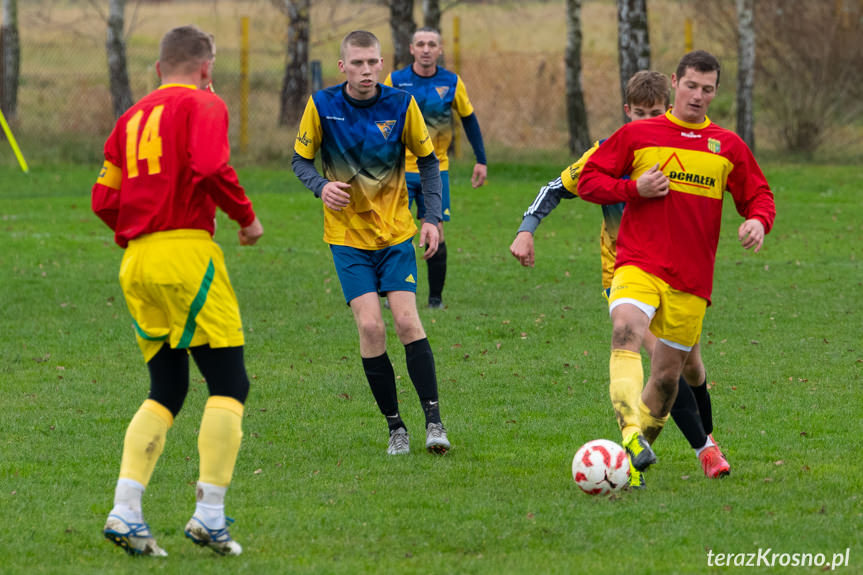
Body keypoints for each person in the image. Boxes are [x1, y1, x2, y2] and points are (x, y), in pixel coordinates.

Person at [510, 71, 731, 488]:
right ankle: (697, 448)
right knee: (657, 357)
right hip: (626, 274)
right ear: (627, 111)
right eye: (639, 113)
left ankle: (682, 442)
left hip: (678, 276)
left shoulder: (678, 151)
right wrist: (526, 229)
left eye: (655, 113)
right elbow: (556, 186)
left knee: (692, 368)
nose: (645, 120)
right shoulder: (608, 151)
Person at [92, 25, 263, 557]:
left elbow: (104, 199)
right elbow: (210, 166)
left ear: (160, 66)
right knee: (230, 383)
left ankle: (126, 510)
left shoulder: (130, 117)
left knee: (166, 388)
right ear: (206, 66)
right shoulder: (204, 105)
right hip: (186, 254)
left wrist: (143, 225)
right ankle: (209, 515)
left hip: (136, 260)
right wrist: (246, 217)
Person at [577, 51, 776, 478]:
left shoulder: (728, 147)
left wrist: (758, 221)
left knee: (668, 379)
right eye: (691, 86)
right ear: (675, 82)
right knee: (625, 330)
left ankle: (627, 463)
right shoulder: (639, 134)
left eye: (707, 89)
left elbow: (759, 195)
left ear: (715, 92)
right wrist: (634, 187)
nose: (698, 96)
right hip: (638, 263)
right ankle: (629, 430)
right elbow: (589, 179)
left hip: (691, 280)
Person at [292, 30, 451, 456]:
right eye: (358, 63)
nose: (366, 70)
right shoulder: (322, 106)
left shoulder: (400, 104)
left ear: (382, 64)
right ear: (342, 66)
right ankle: (395, 426)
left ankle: (434, 421)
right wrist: (320, 187)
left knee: (406, 322)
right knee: (370, 327)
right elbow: (299, 160)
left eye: (373, 62)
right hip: (346, 238)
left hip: (395, 234)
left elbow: (430, 162)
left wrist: (431, 218)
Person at [384, 27, 487, 309]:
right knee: (392, 230)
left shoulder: (452, 82)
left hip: (436, 169)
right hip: (400, 170)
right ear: (411, 49)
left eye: (431, 44)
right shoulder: (395, 80)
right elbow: (381, 120)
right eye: (421, 44)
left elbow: (469, 120)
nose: (426, 49)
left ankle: (435, 300)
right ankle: (391, 292)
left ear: (440, 50)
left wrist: (481, 159)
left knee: (437, 232)